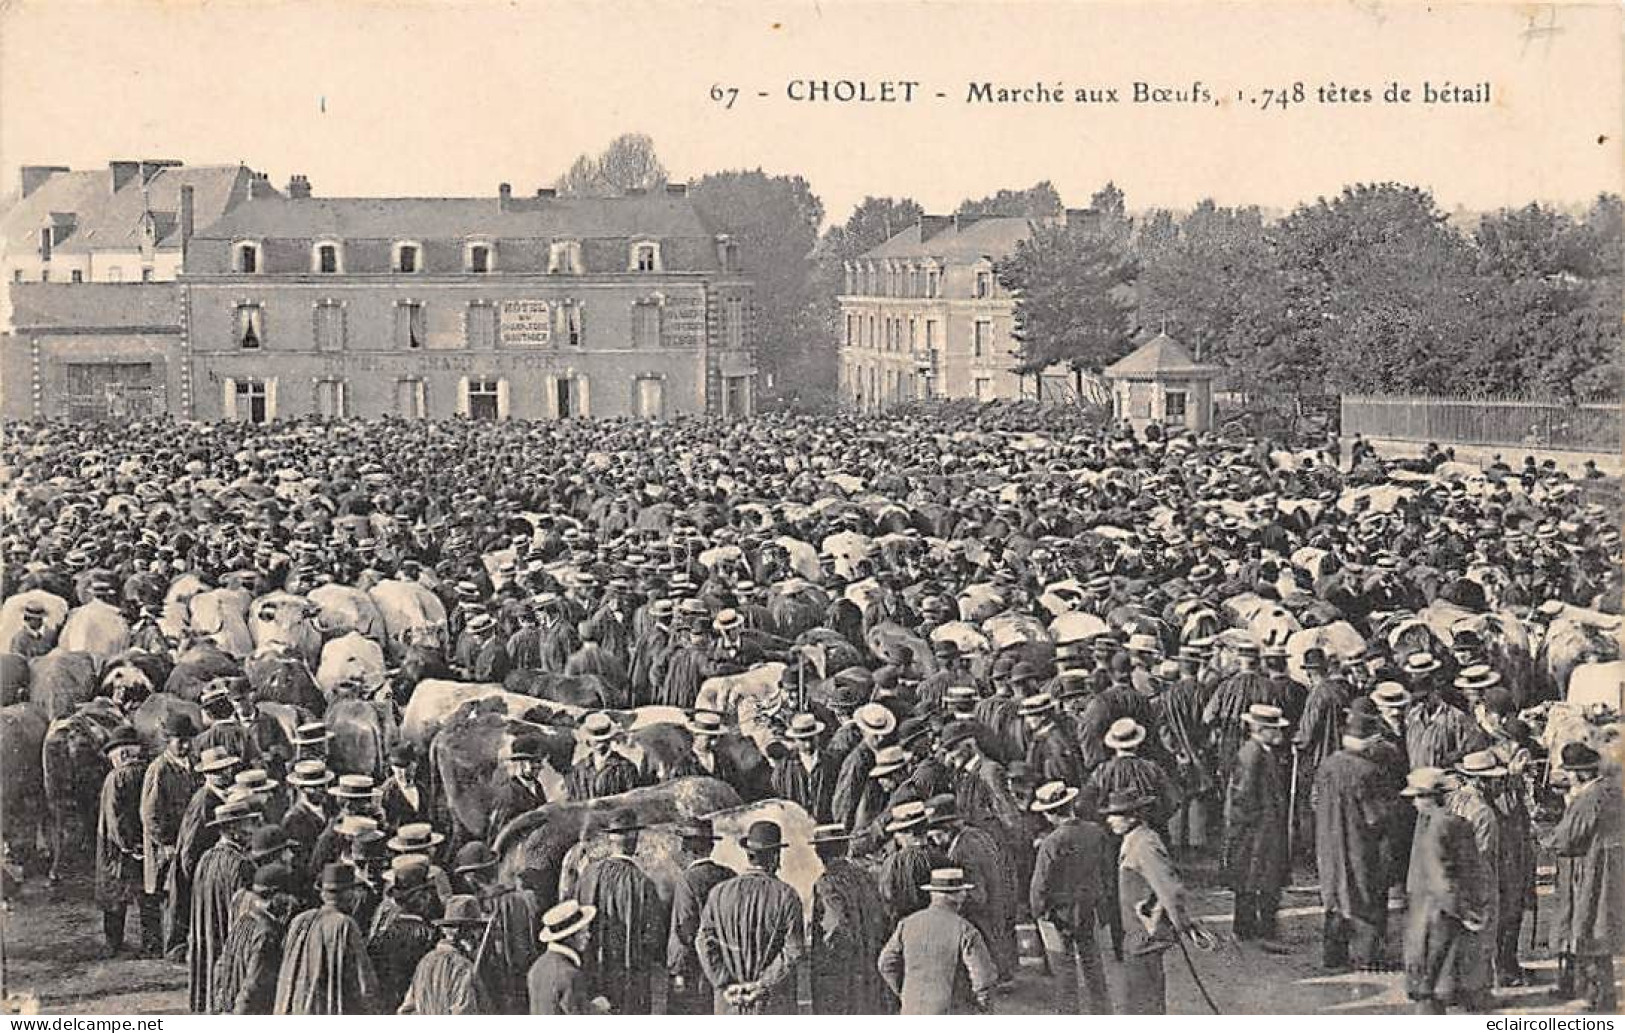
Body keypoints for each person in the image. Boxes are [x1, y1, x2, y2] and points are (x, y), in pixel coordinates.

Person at [1401, 767, 1492, 1014]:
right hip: (1441, 910)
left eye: (1418, 797)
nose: (1415, 804)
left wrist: (1459, 910)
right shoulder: (1447, 823)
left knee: (1431, 983)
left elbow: (1442, 879)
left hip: (1437, 912)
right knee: (1437, 979)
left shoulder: (1435, 826)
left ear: (1430, 797)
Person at [1311, 709, 1395, 971]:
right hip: (1359, 843)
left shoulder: (1327, 765)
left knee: (1334, 894)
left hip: (1328, 840)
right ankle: (1366, 956)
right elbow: (1376, 817)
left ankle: (1333, 955)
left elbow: (1314, 801)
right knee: (1363, 893)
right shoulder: (1369, 772)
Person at [1104, 787, 1199, 1015]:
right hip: (1136, 934)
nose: (1109, 820)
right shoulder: (1134, 839)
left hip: (1145, 936)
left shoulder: (1145, 844)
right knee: (1137, 1000)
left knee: (1144, 1003)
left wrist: (1183, 923)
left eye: (1115, 814)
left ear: (1133, 816)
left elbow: (1168, 887)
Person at [696, 820, 805, 1014]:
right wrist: (762, 984)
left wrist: (725, 983)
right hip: (771, 1005)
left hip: (730, 1003)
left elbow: (703, 941)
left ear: (749, 854)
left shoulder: (719, 893)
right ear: (775, 856)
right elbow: (794, 951)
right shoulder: (786, 895)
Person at [1545, 742, 1622, 1011]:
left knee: (1587, 928)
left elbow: (1567, 837)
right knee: (1598, 929)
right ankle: (1592, 991)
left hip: (1591, 869)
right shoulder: (1612, 791)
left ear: (1579, 773)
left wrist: (1547, 840)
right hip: (1610, 867)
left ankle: (1598, 998)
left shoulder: (1588, 798)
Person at [1029, 781, 1112, 1014]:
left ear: (1049, 813)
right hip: (1089, 907)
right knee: (1093, 964)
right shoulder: (1096, 832)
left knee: (1064, 969)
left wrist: (1039, 913)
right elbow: (1106, 871)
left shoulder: (1051, 842)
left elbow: (1040, 885)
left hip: (1059, 914)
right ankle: (1102, 1013)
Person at [575, 809, 664, 1014]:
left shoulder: (588, 875)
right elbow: (653, 938)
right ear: (635, 841)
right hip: (628, 979)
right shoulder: (643, 884)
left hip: (592, 972)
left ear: (610, 840)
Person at [924, 793, 1017, 987]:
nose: (934, 841)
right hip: (997, 906)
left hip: (981, 917)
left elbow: (977, 896)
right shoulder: (979, 835)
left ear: (948, 828)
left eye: (936, 835)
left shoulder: (962, 851)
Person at [877, 867, 997, 1014]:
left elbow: (885, 963)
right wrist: (982, 1008)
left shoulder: (907, 924)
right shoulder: (965, 930)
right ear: (959, 896)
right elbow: (983, 977)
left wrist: (904, 992)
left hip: (911, 1010)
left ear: (932, 894)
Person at [1225, 703, 1292, 945]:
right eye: (1275, 730)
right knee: (1256, 877)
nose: (1280, 734)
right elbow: (1243, 795)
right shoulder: (1252, 754)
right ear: (1262, 729)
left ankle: (1254, 928)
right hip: (1257, 830)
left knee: (1257, 876)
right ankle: (1253, 929)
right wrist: (1254, 822)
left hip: (1263, 827)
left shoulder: (1261, 751)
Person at [274, 863, 381, 1014]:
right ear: (349, 894)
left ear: (323, 894)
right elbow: (364, 983)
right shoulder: (345, 925)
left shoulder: (300, 920)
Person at [808, 823, 891, 1015]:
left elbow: (836, 927)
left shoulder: (827, 883)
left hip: (844, 973)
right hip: (870, 965)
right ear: (845, 848)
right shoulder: (867, 876)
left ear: (819, 852)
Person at [187, 798, 259, 1012]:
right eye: (248, 824)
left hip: (207, 932)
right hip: (226, 933)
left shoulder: (206, 857)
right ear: (233, 829)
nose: (252, 830)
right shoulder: (241, 864)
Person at [451, 841, 539, 1014]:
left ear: (472, 876)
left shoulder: (471, 905)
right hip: (517, 975)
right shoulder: (520, 900)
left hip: (489, 977)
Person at [96, 724, 159, 958]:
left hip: (118, 850)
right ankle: (152, 943)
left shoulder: (116, 778)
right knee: (147, 893)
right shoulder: (149, 771)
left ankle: (114, 943)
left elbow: (114, 817)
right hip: (146, 844)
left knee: (114, 895)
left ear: (122, 753)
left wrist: (126, 845)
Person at [142, 711, 200, 958]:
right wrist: (165, 843)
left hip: (188, 842)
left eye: (188, 740)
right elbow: (149, 814)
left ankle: (186, 941)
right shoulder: (159, 770)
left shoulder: (194, 766)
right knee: (172, 897)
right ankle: (173, 946)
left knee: (188, 893)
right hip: (169, 847)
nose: (185, 746)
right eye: (180, 741)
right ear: (168, 741)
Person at [665, 818, 732, 1015]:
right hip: (724, 965)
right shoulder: (728, 875)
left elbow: (684, 929)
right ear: (710, 847)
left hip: (696, 968)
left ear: (686, 848)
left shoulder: (687, 881)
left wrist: (678, 971)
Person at [211, 863, 294, 1015]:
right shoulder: (267, 933)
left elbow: (221, 966)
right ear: (276, 896)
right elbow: (254, 983)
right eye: (288, 895)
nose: (292, 901)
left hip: (230, 1003)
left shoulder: (243, 920)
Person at [397, 894, 493, 1015]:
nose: (478, 935)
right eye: (476, 929)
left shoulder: (425, 962)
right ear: (465, 932)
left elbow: (406, 1011)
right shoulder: (462, 967)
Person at [528, 899, 603, 1015]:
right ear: (569, 938)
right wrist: (599, 1010)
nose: (588, 936)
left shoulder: (536, 967)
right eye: (583, 932)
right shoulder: (570, 975)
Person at [565, 712, 642, 800]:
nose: (600, 744)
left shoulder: (625, 768)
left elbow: (633, 802)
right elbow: (573, 804)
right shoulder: (578, 771)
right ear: (588, 742)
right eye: (596, 740)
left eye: (604, 740)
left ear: (610, 739)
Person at [486, 735, 547, 839]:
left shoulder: (538, 787)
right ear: (520, 763)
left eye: (539, 761)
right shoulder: (508, 791)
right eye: (532, 762)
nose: (538, 766)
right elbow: (500, 831)